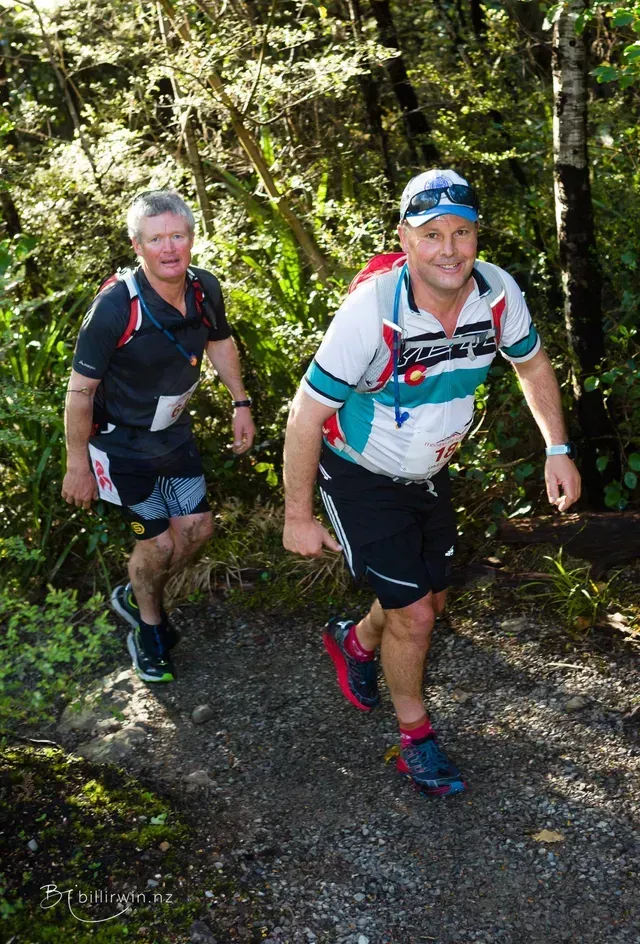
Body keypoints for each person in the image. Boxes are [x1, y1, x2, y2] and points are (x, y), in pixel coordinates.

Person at [282, 169, 581, 797]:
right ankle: (414, 741)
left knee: (430, 602)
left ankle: (356, 643)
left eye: (461, 232)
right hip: (359, 473)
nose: (449, 249)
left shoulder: (496, 292)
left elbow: (531, 363)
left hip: (429, 474)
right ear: (405, 239)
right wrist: (297, 516)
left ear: (477, 235)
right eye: (432, 234)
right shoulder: (373, 310)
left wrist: (557, 448)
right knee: (416, 615)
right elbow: (305, 412)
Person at [62, 190, 255, 683]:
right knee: (159, 547)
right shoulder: (115, 307)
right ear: (137, 246)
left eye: (177, 236)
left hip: (173, 434)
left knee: (197, 530)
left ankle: (136, 592)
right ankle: (149, 628)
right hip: (121, 446)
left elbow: (219, 342)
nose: (169, 248)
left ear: (191, 238)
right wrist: (77, 463)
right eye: (155, 239)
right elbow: (80, 391)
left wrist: (240, 402)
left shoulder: (204, 288)